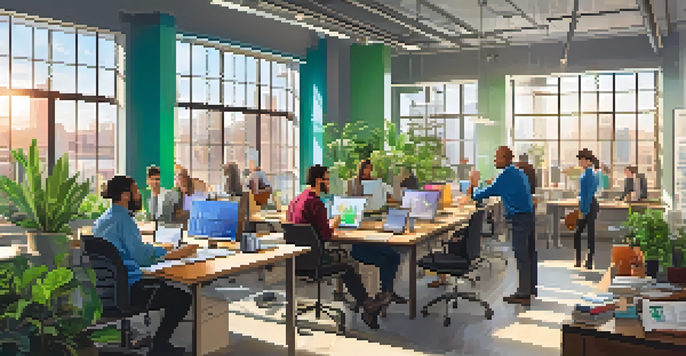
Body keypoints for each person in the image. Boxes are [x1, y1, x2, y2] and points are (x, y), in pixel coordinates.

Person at [93, 175, 198, 355]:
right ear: (126, 195)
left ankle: (157, 342)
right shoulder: (125, 220)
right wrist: (173, 254)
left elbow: (129, 251)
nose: (139, 194)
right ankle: (160, 346)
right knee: (182, 297)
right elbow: (140, 256)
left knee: (164, 286)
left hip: (108, 291)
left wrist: (158, 250)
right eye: (135, 191)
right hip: (131, 291)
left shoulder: (101, 221)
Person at [286, 164, 390, 329]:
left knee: (342, 257)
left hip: (295, 261)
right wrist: (334, 223)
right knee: (348, 265)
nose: (328, 184)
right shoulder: (315, 203)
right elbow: (326, 235)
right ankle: (367, 305)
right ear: (319, 181)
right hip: (314, 262)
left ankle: (364, 303)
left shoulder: (295, 202)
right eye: (327, 180)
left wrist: (326, 226)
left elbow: (307, 231)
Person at [467, 146, 536, 306]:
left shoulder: (505, 176)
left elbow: (479, 195)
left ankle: (523, 294)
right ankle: (529, 289)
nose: (494, 160)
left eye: (497, 157)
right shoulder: (518, 172)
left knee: (521, 256)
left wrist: (473, 183)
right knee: (527, 255)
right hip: (527, 216)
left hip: (519, 219)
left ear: (506, 158)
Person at [347, 160, 407, 305]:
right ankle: (386, 293)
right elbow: (349, 201)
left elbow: (390, 198)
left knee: (391, 257)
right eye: (366, 169)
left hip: (373, 224)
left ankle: (386, 293)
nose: (368, 172)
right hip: (358, 234)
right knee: (393, 256)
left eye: (370, 169)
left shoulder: (377, 184)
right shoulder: (353, 184)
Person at [575, 149, 599, 269]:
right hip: (588, 204)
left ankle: (584, 260)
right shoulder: (589, 173)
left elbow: (588, 193)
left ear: (587, 161)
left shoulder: (589, 174)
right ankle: (586, 260)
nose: (579, 162)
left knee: (581, 233)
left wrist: (584, 210)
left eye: (581, 159)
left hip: (588, 204)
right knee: (588, 233)